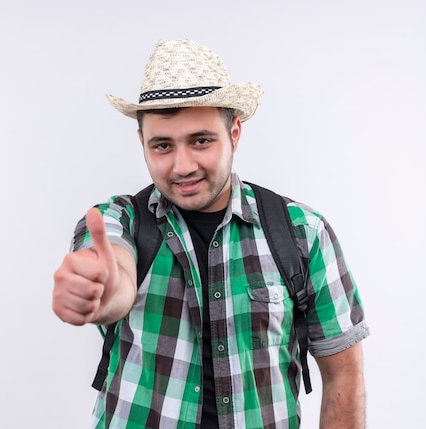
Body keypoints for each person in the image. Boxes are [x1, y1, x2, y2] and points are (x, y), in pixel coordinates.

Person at [52, 39, 369, 429]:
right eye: (162, 145)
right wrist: (102, 289)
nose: (182, 166)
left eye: (201, 140)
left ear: (234, 132)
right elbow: (113, 280)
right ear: (142, 144)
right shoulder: (116, 221)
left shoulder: (302, 233)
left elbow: (343, 373)